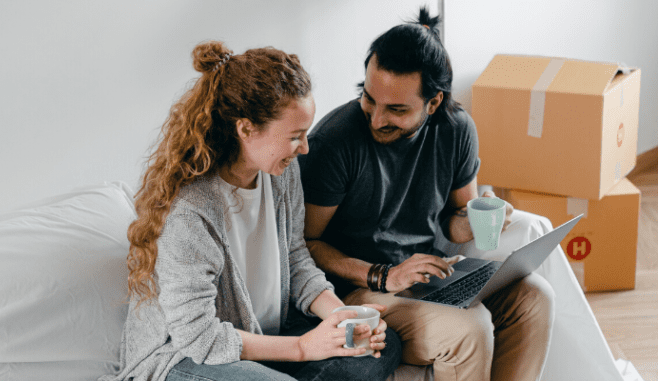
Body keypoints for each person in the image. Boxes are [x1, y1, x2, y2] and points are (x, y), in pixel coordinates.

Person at [99, 40, 402, 381]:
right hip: (185, 357)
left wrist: (343, 317)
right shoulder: (189, 211)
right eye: (295, 136)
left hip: (263, 337)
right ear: (246, 129)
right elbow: (198, 338)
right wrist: (304, 347)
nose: (304, 148)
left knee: (380, 343)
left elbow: (296, 258)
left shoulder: (281, 174)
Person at [298, 7, 555, 381]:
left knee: (535, 297)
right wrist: (384, 276)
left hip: (427, 279)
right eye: (369, 98)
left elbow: (454, 221)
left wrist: (477, 221)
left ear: (433, 103)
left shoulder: (456, 129)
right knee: (471, 329)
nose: (376, 119)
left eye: (396, 109)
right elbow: (306, 243)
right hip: (358, 290)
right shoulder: (336, 142)